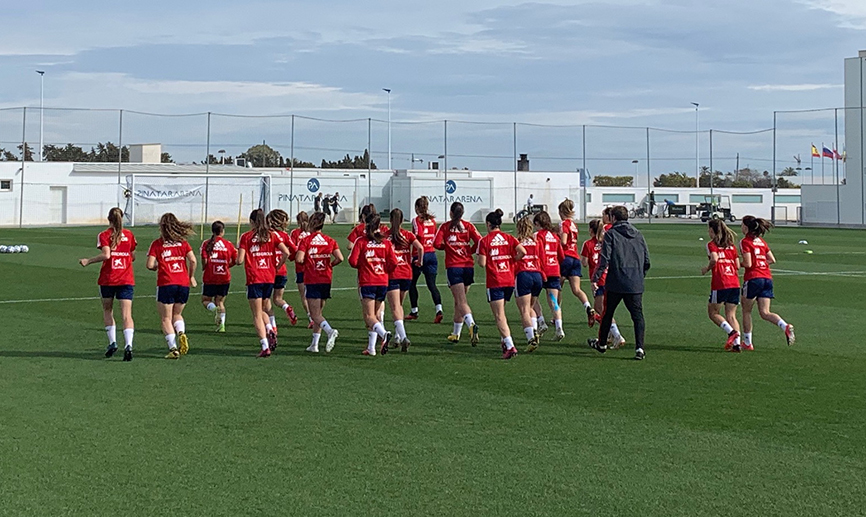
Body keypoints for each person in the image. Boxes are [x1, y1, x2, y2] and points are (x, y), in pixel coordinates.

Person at [588, 206, 650, 361]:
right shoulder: (638, 234)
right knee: (637, 316)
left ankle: (602, 344)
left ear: (613, 218)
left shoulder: (611, 234)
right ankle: (640, 348)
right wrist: (639, 276)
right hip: (635, 282)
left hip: (616, 280)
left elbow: (604, 259)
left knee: (607, 313)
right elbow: (647, 261)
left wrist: (596, 277)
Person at [78, 207, 137, 361]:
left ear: (108, 218)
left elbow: (106, 254)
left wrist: (88, 260)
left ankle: (112, 342)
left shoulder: (104, 235)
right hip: (126, 278)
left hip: (109, 278)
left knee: (107, 309)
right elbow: (133, 256)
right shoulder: (129, 235)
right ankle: (129, 345)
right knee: (126, 314)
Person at [237, 208, 291, 358]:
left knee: (256, 314)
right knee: (263, 310)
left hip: (255, 278)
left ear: (252, 222)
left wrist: (239, 257)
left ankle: (265, 345)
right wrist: (277, 266)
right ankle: (270, 329)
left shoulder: (246, 237)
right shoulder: (271, 235)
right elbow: (286, 252)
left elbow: (239, 260)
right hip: (269, 277)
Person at [146, 213, 198, 360]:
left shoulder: (157, 244)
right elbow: (193, 261)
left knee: (165, 318)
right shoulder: (183, 242)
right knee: (177, 314)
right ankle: (181, 332)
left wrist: (157, 265)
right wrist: (191, 276)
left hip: (166, 283)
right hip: (183, 283)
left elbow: (149, 265)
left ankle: (173, 348)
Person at [739, 215, 795, 349]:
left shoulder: (745, 242)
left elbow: (748, 263)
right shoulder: (761, 242)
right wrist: (761, 263)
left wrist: (735, 264)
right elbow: (772, 260)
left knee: (746, 311)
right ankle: (785, 326)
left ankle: (747, 342)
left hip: (753, 278)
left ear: (746, 227)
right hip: (767, 278)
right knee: (765, 312)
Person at [477, 209, 524, 359]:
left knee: (499, 316)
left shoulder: (485, 241)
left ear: (488, 224)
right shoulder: (509, 238)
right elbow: (522, 252)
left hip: (495, 280)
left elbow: (482, 264)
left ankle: (510, 346)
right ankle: (504, 341)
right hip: (509, 279)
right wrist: (511, 260)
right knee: (501, 313)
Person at [349, 212, 398, 356]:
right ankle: (371, 348)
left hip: (367, 281)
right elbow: (394, 262)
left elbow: (352, 261)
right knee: (375, 315)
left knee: (369, 316)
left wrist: (364, 265)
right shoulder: (386, 242)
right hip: (383, 281)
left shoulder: (361, 241)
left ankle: (384, 334)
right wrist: (384, 270)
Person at [433, 201, 482, 345]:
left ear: (451, 213)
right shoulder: (468, 226)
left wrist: (447, 247)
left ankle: (471, 325)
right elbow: (480, 241)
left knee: (461, 301)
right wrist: (469, 250)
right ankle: (456, 333)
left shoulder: (445, 226)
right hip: (468, 266)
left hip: (454, 267)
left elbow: (436, 243)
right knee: (459, 301)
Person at [296, 212, 343, 353]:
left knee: (314, 313)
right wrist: (329, 265)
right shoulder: (329, 240)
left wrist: (309, 263)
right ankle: (314, 344)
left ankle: (330, 331)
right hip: (326, 278)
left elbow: (299, 259)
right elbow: (340, 258)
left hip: (313, 278)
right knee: (319, 312)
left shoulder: (306, 240)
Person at [581, 219, 626, 348]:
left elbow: (584, 263)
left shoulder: (588, 244)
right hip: (610, 278)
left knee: (602, 311)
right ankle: (608, 336)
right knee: (602, 309)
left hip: (598, 280)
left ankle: (618, 336)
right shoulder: (606, 242)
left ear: (591, 230)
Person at [385, 208, 424, 352]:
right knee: (399, 305)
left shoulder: (385, 236)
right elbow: (420, 248)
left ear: (390, 220)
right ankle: (397, 336)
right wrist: (419, 261)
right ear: (402, 220)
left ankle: (403, 336)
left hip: (392, 274)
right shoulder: (408, 235)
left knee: (395, 307)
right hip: (406, 273)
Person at [700, 218, 742, 352]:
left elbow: (714, 258)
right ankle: (737, 344)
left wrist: (707, 268)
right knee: (731, 315)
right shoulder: (731, 245)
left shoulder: (711, 245)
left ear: (712, 231)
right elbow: (737, 266)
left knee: (713, 312)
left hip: (721, 283)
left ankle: (731, 333)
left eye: (709, 230)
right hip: (734, 283)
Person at [558, 199, 597, 327]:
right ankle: (588, 307)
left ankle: (556, 315)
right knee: (577, 289)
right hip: (575, 258)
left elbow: (564, 241)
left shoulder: (564, 223)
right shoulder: (574, 224)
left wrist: (555, 240)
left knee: (557, 287)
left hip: (565, 257)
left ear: (561, 211)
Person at [406, 196, 443, 323]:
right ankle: (439, 310)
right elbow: (435, 235)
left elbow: (419, 234)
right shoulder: (433, 221)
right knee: (432, 285)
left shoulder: (416, 220)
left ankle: (414, 311)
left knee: (412, 283)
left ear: (417, 208)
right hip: (432, 254)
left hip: (419, 255)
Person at [532, 211, 565, 341]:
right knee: (554, 302)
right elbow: (561, 256)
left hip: (541, 271)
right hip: (554, 270)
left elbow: (536, 252)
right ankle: (559, 328)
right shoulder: (555, 237)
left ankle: (541, 321)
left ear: (537, 223)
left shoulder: (537, 235)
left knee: (532, 299)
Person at [200, 220, 237, 333]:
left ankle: (214, 309)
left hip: (210, 276)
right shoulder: (228, 244)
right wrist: (227, 266)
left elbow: (204, 260)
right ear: (222, 231)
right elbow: (236, 259)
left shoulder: (206, 243)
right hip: (224, 277)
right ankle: (222, 326)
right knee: (220, 302)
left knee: (205, 300)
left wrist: (204, 267)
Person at [514, 216, 545, 353]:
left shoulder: (517, 242)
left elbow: (514, 259)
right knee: (531, 307)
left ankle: (531, 338)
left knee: (524, 310)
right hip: (537, 275)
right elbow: (542, 259)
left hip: (524, 274)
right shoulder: (536, 242)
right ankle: (534, 331)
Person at [265, 209, 298, 333]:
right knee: (278, 299)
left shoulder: (268, 235)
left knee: (266, 300)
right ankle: (287, 307)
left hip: (269, 271)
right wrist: (290, 258)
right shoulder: (285, 236)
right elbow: (294, 249)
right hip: (282, 271)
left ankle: (273, 326)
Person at [288, 211, 313, 328]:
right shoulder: (312, 233)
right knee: (314, 295)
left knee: (304, 295)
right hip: (313, 267)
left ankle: (311, 318)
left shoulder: (295, 233)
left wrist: (291, 257)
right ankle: (317, 316)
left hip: (301, 268)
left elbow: (292, 249)